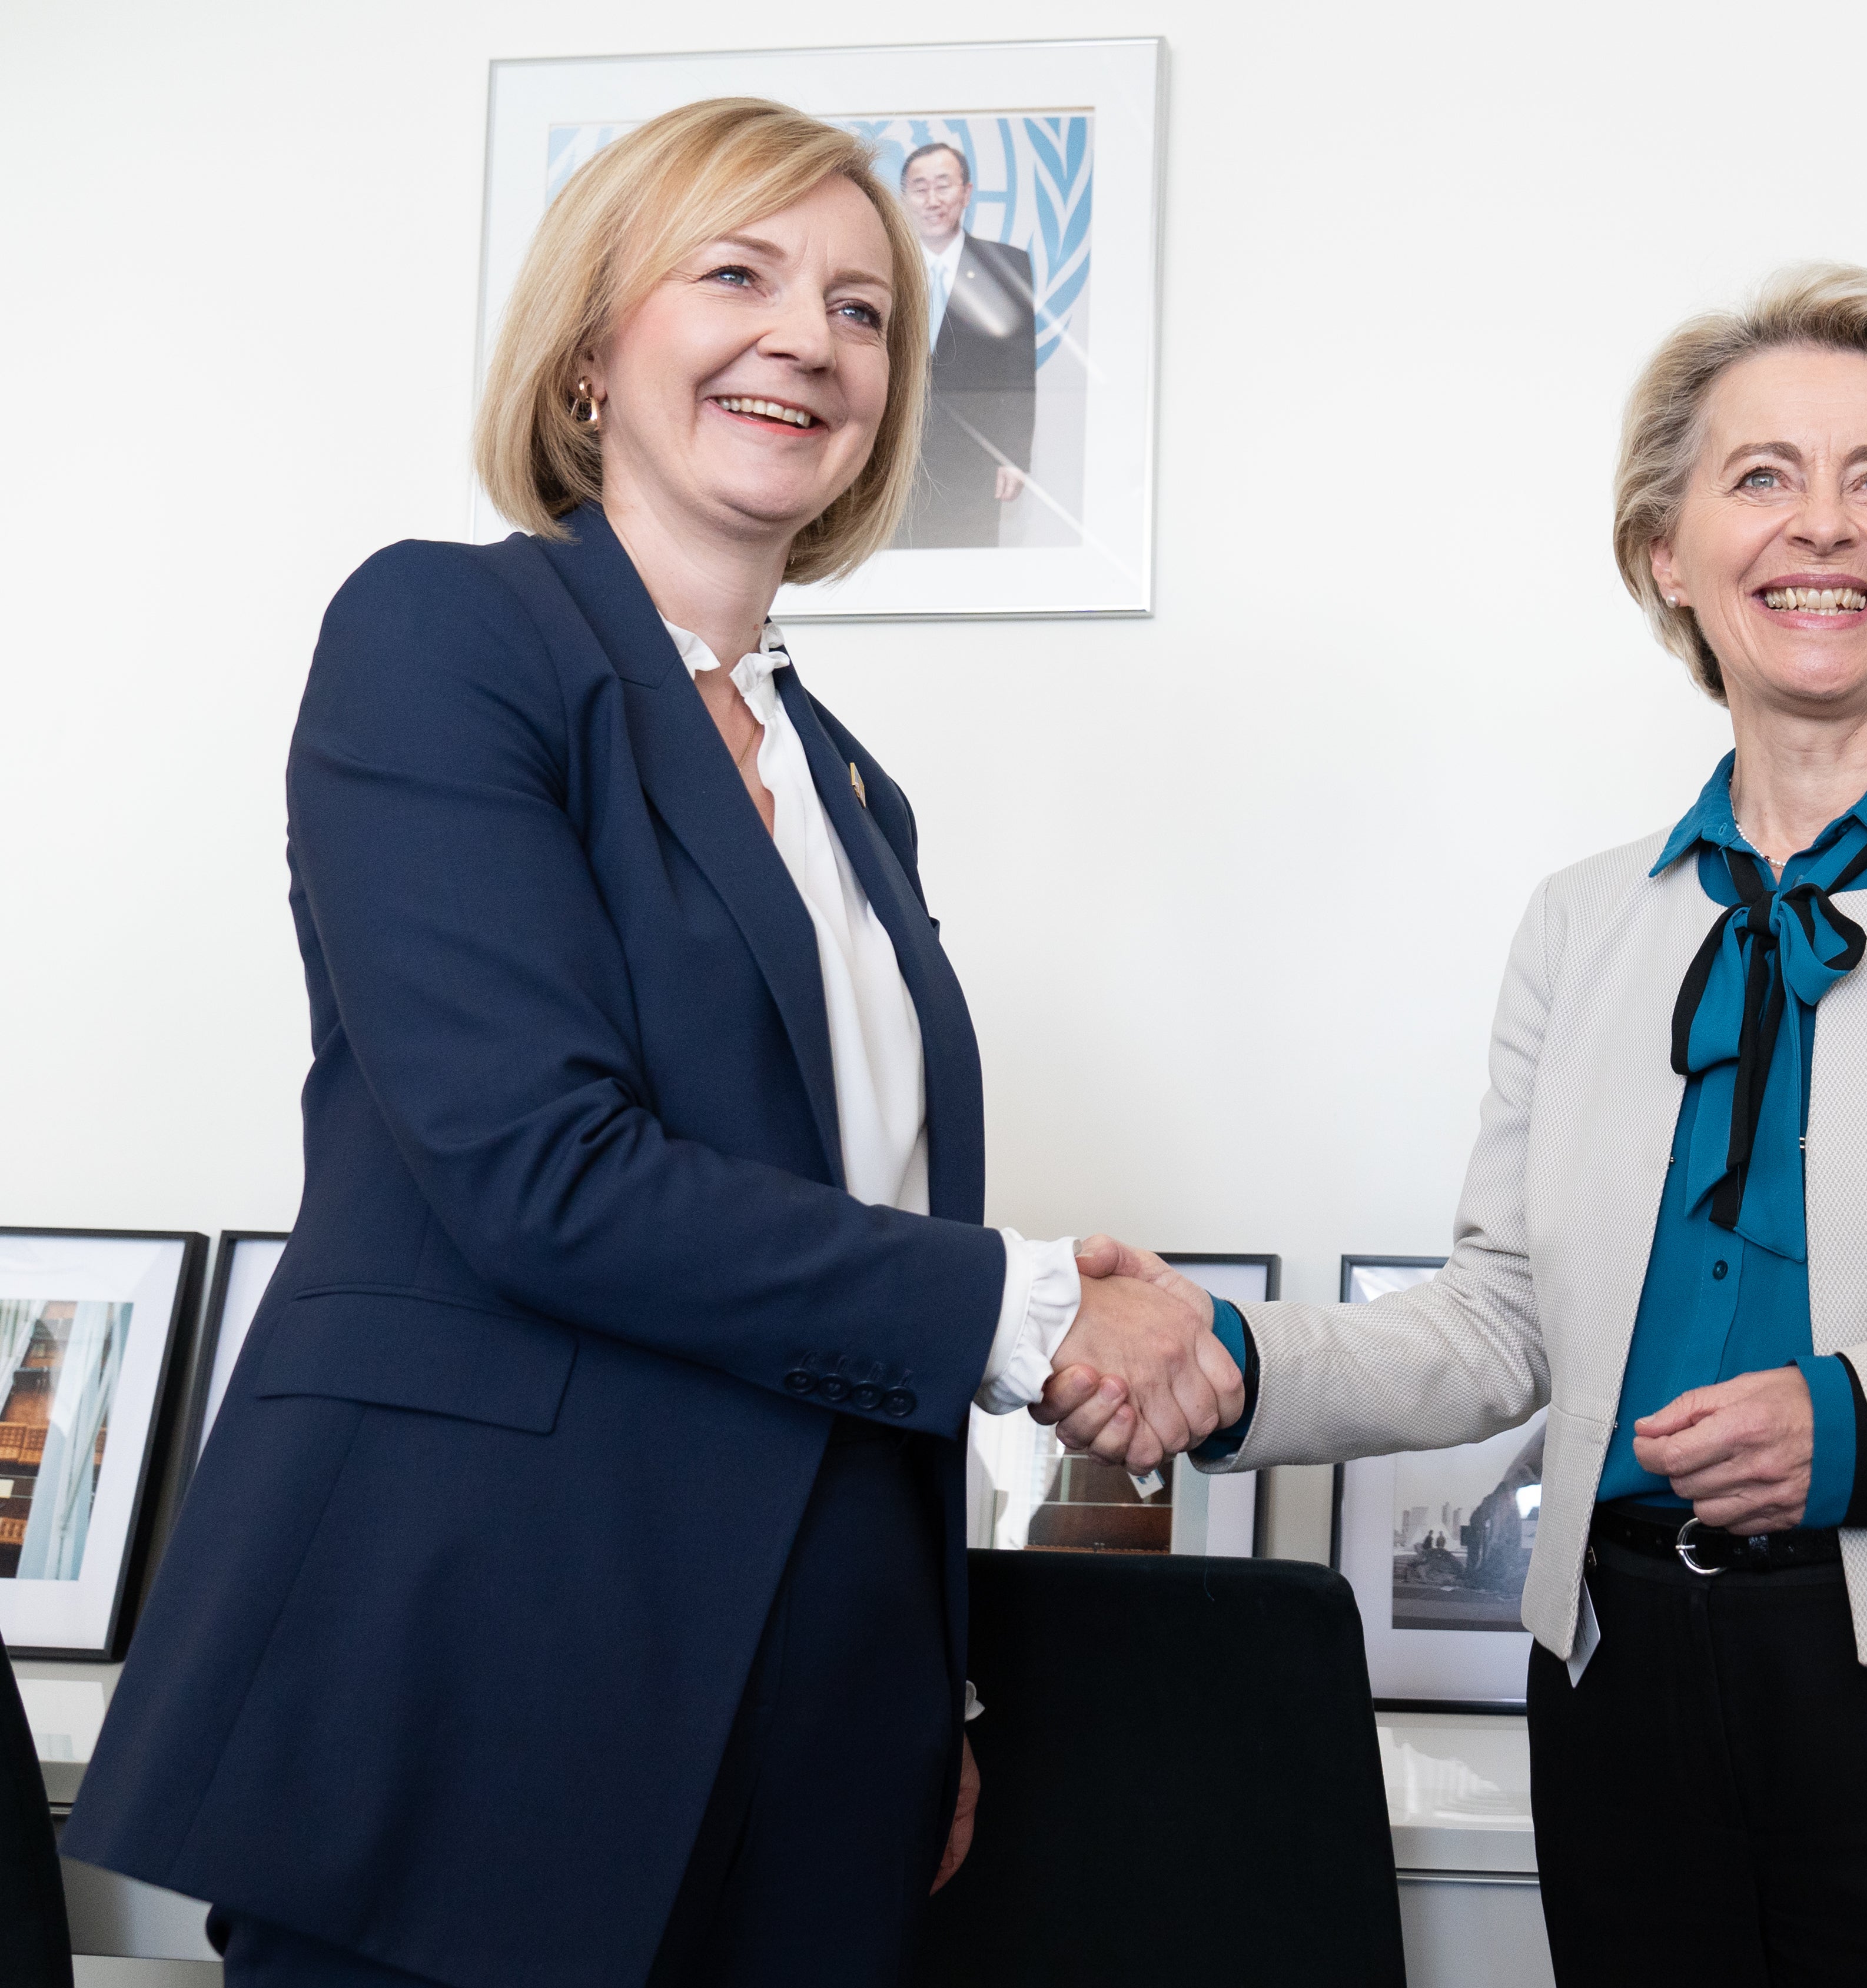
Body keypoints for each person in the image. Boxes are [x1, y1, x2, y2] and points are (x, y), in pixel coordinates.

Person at [59, 99, 1234, 1986]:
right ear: (595, 349)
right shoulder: (446, 635)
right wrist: (1040, 1311)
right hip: (482, 1668)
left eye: (864, 311)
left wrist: (928, 1679)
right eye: (739, 274)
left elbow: (848, 1257)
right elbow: (544, 1175)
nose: (809, 339)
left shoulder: (857, 791)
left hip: (813, 1703)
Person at [1045, 266, 1867, 1984]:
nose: (1825, 527)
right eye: (1763, 475)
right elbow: (1499, 1326)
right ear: (1667, 554)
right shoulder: (1582, 923)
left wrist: (1856, 1421)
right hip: (1624, 1683)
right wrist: (1227, 1358)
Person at [895, 138, 1039, 548]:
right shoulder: (884, 267)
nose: (932, 199)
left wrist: (1014, 454)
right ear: (905, 199)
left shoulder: (1005, 265)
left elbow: (1017, 367)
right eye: (919, 188)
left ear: (967, 193)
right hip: (895, 460)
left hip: (972, 458)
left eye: (944, 185)